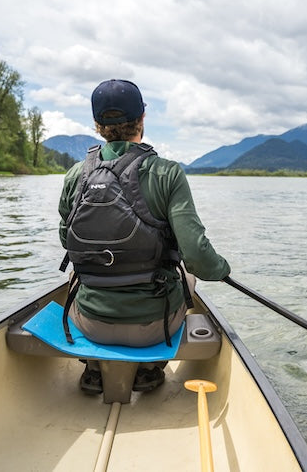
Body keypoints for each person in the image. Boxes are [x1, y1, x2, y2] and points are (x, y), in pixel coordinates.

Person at [58, 79, 230, 394]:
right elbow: (198, 258)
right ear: (142, 119)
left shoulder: (75, 175)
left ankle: (94, 370)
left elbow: (66, 240)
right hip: (154, 327)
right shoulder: (167, 173)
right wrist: (220, 269)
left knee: (75, 275)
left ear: (97, 125)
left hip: (90, 323)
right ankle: (149, 370)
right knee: (189, 280)